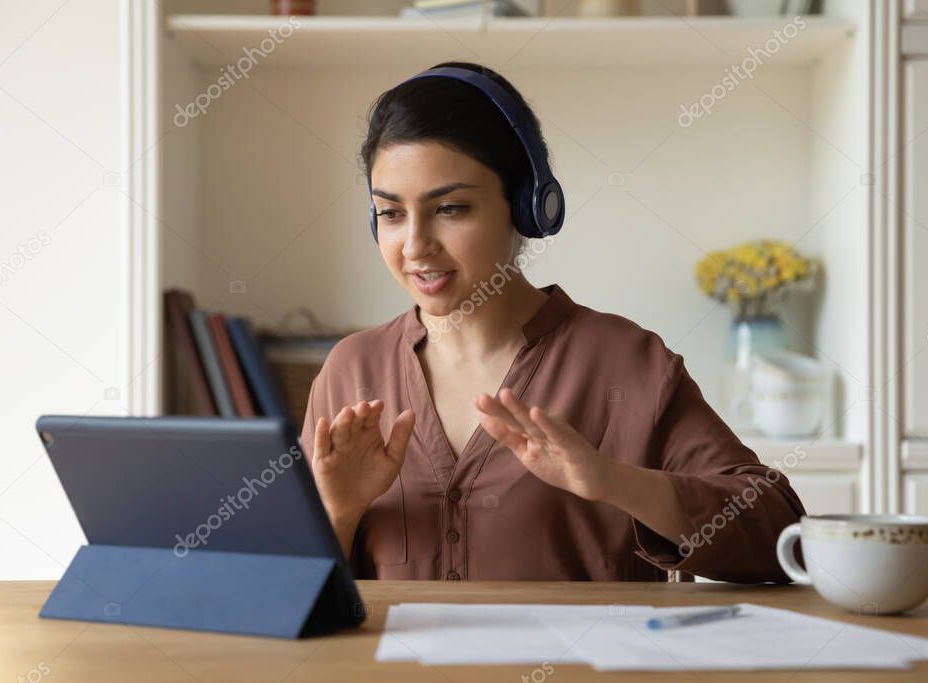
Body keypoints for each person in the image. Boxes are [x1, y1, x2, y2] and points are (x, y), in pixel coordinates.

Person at [299, 61, 806, 583]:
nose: (415, 246)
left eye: (450, 208)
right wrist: (338, 512)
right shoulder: (350, 370)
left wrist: (614, 481)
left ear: (526, 206)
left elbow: (781, 534)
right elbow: (295, 600)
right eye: (391, 213)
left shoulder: (625, 363)